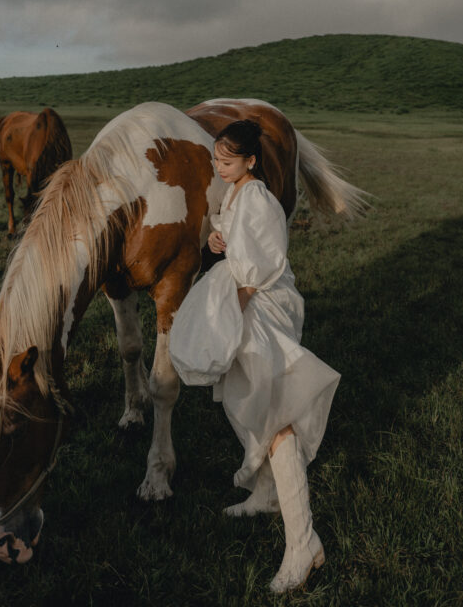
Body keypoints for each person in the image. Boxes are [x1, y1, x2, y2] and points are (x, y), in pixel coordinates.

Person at [169, 119, 340, 593]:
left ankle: (303, 541)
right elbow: (234, 238)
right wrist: (216, 241)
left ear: (250, 160)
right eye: (216, 160)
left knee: (275, 412)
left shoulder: (260, 199)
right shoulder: (235, 194)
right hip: (241, 295)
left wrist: (233, 307)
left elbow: (264, 262)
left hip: (261, 301)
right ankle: (265, 494)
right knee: (246, 398)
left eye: (228, 161)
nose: (220, 168)